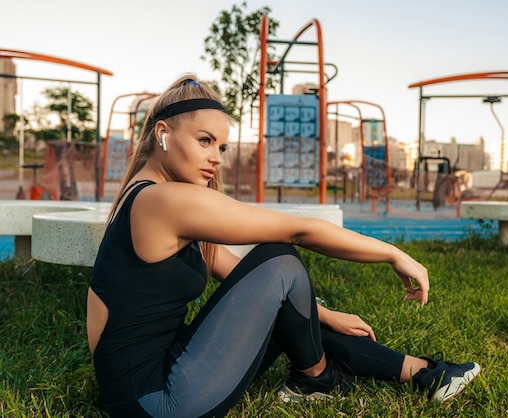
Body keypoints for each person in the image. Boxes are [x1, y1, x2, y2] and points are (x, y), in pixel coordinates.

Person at [87, 74, 480, 418]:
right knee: (281, 261)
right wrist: (393, 253)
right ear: (162, 134)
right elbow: (296, 231)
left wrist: (320, 314)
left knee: (280, 291)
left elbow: (237, 277)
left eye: (221, 147)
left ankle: (427, 373)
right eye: (204, 141)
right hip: (155, 401)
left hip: (154, 378)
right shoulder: (163, 201)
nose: (215, 158)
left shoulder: (148, 195)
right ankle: (316, 378)